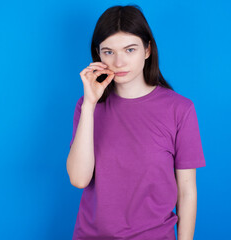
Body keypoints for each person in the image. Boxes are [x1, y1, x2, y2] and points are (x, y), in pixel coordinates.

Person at [66, 4, 206, 240]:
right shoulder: (86, 106)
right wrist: (90, 104)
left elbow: (187, 191)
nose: (119, 62)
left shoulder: (180, 109)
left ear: (147, 49)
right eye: (108, 51)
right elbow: (79, 179)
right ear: (98, 55)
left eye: (130, 50)